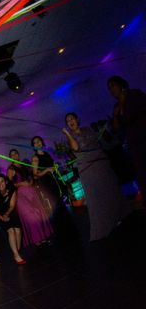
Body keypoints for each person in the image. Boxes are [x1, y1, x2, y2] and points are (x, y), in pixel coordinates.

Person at [62, 112, 125, 240]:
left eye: (72, 118)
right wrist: (67, 134)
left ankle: (116, 216)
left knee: (109, 192)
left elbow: (97, 142)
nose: (70, 121)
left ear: (77, 119)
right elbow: (76, 148)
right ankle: (105, 225)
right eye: (68, 121)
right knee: (96, 197)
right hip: (88, 169)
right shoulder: (70, 137)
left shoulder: (87, 129)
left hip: (100, 165)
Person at [108, 75, 146, 203]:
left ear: (121, 85)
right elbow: (116, 128)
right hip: (134, 144)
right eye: (109, 88)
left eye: (113, 85)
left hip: (144, 136)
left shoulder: (134, 94)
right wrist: (115, 115)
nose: (111, 89)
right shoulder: (116, 106)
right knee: (142, 172)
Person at [7, 150, 53, 246]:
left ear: (18, 154)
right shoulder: (11, 169)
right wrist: (21, 184)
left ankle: (43, 238)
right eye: (12, 155)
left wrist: (31, 181)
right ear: (10, 157)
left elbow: (30, 176)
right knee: (31, 216)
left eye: (16, 153)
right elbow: (10, 185)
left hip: (31, 192)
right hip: (21, 195)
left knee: (38, 213)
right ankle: (36, 240)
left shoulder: (23, 165)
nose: (14, 155)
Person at [0, 174, 25, 265]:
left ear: (5, 182)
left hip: (10, 212)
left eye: (2, 181)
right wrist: (2, 217)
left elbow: (12, 205)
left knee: (18, 231)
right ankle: (16, 255)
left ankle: (16, 251)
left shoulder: (12, 190)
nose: (0, 184)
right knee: (11, 231)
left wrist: (7, 214)